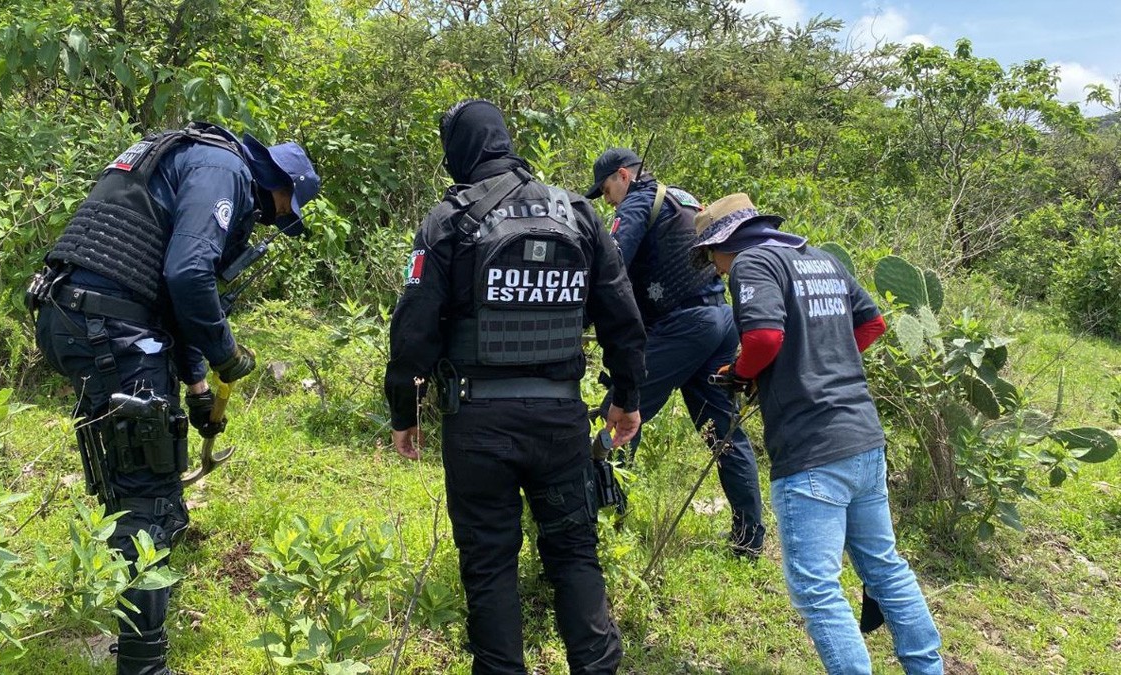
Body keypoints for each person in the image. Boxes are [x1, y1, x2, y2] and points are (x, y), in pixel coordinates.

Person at [29, 121, 320, 675]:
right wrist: (226, 353)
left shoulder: (193, 158)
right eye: (287, 208)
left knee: (138, 469)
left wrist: (198, 387)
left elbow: (167, 293)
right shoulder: (224, 169)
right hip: (109, 325)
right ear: (280, 181)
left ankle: (158, 549)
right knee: (147, 496)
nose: (280, 219)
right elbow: (188, 276)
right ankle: (143, 664)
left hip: (78, 316)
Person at [384, 100, 647, 675]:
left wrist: (405, 412)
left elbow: (413, 330)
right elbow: (623, 318)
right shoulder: (579, 213)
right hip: (560, 422)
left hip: (478, 427)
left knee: (488, 565)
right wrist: (626, 398)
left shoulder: (450, 218)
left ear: (459, 149)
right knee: (576, 555)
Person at [695, 193, 943, 674]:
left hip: (812, 448)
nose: (718, 270)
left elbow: (765, 339)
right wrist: (824, 363)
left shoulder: (754, 263)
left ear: (727, 242)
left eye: (712, 257)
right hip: (863, 436)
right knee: (885, 566)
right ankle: (928, 668)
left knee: (816, 587)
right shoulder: (820, 259)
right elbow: (872, 324)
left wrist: (745, 372)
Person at [583, 148, 765, 556]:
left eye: (607, 188)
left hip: (683, 327)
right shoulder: (681, 196)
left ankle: (607, 528)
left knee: (621, 411)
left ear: (624, 176)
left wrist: (578, 319)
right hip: (719, 321)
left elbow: (609, 268)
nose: (607, 198)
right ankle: (749, 540)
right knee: (723, 431)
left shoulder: (637, 203)